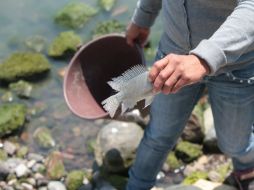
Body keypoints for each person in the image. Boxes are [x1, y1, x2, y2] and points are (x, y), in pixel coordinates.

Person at [125, 0, 254, 189]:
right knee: (159, 134)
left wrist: (203, 58)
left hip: (236, 67)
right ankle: (138, 184)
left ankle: (246, 168)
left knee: (234, 144)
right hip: (172, 57)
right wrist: (142, 19)